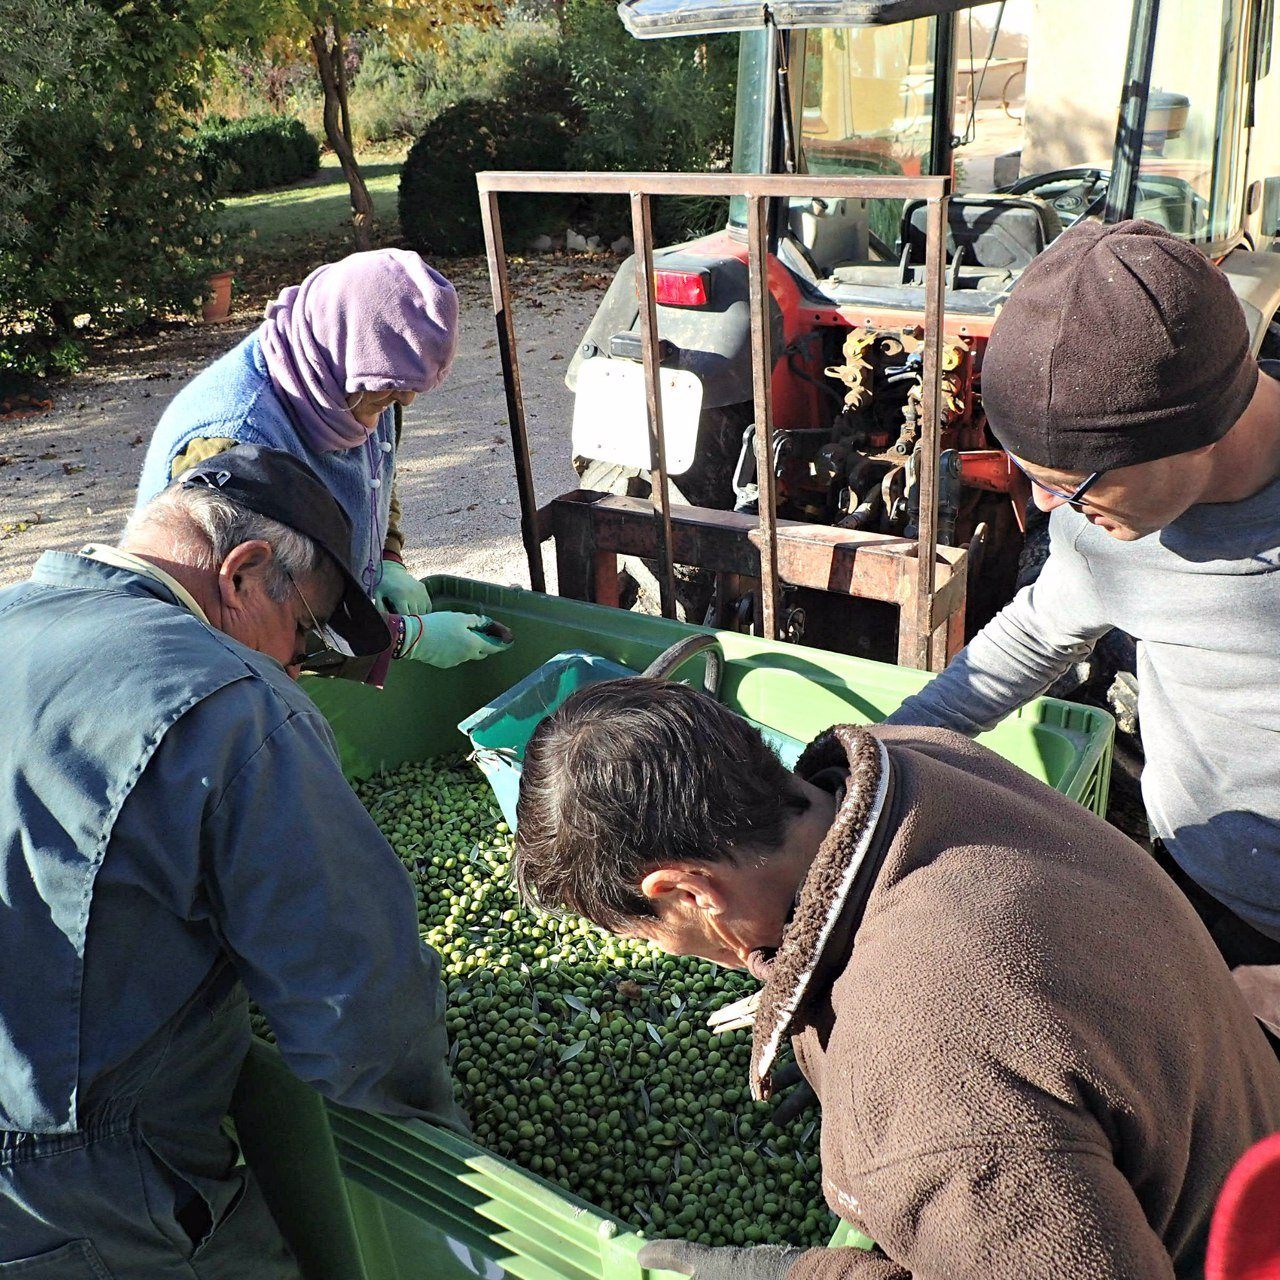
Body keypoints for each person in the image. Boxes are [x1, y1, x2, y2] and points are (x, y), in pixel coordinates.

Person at [513, 679, 1280, 1280]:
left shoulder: (928, 1060)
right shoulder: (911, 760)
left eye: (652, 935)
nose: (673, 954)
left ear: (687, 892)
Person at [0, 445, 464, 1278]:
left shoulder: (11, 619)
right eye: (306, 636)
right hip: (76, 1184)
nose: (297, 667)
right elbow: (359, 1014)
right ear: (245, 574)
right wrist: (453, 1151)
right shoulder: (232, 704)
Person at [884, 218, 1280, 968]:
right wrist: (880, 758)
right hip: (1195, 891)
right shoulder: (1111, 527)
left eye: (1068, 484)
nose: (1043, 508)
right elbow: (1035, 634)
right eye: (1028, 472)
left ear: (1201, 433)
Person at [137, 247, 509, 672]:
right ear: (339, 350)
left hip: (313, 633)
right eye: (393, 385)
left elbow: (374, 476)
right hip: (230, 664)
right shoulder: (232, 445)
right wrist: (404, 639)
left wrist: (387, 557)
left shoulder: (355, 380)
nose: (404, 398)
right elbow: (243, 619)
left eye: (412, 387)